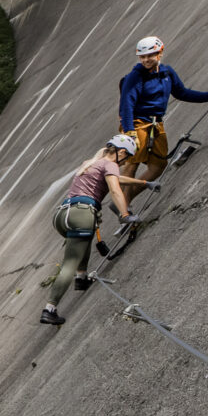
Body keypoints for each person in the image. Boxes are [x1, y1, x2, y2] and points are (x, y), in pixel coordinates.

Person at [39, 135, 140, 326]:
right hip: (82, 213)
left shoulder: (92, 163)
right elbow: (115, 189)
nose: (125, 162)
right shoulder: (111, 165)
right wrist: (125, 214)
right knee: (70, 262)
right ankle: (49, 308)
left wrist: (142, 183)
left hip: (62, 215)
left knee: (81, 243)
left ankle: (82, 278)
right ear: (122, 152)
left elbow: (117, 178)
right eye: (126, 158)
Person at [118, 35, 208, 187]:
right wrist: (129, 131)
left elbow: (183, 93)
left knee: (159, 166)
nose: (146, 60)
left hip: (156, 124)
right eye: (142, 57)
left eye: (150, 55)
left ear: (160, 53)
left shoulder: (167, 73)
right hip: (137, 123)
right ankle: (124, 209)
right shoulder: (135, 77)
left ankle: (127, 199)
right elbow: (126, 104)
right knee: (132, 163)